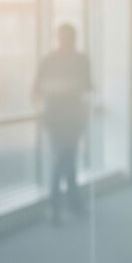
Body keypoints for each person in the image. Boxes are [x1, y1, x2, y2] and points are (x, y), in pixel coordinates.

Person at [33, 24, 91, 225]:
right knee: (64, 159)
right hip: (68, 117)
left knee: (66, 158)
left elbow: (36, 89)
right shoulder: (80, 60)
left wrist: (55, 89)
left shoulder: (48, 60)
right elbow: (87, 85)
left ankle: (66, 203)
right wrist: (68, 86)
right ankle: (59, 204)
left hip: (57, 117)